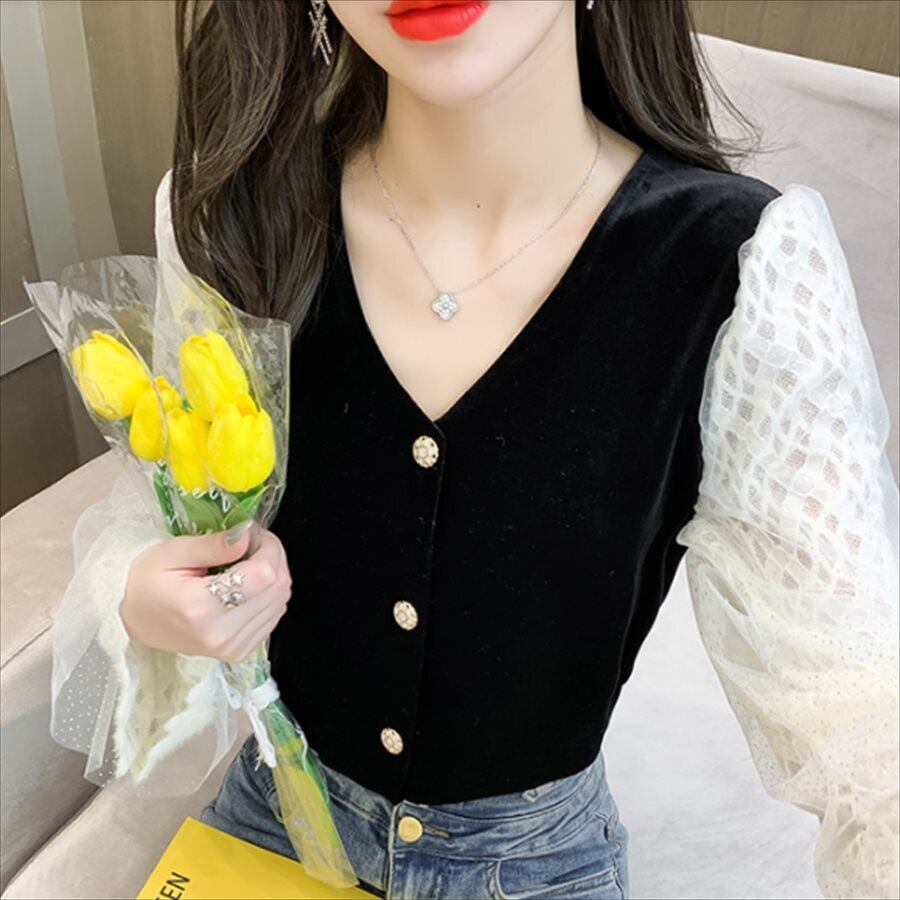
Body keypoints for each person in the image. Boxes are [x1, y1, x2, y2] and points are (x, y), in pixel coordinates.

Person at [48, 2, 899, 899]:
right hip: (277, 823)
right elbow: (165, 507)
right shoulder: (234, 219)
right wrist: (145, 593)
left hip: (532, 867)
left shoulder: (741, 266)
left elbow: (854, 699)